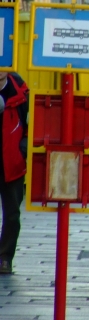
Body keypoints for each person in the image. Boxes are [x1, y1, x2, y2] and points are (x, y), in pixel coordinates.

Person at [0, 71, 29, 274]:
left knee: (12, 215)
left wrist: (23, 150)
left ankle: (5, 257)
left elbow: (31, 123)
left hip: (11, 163)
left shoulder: (20, 90)